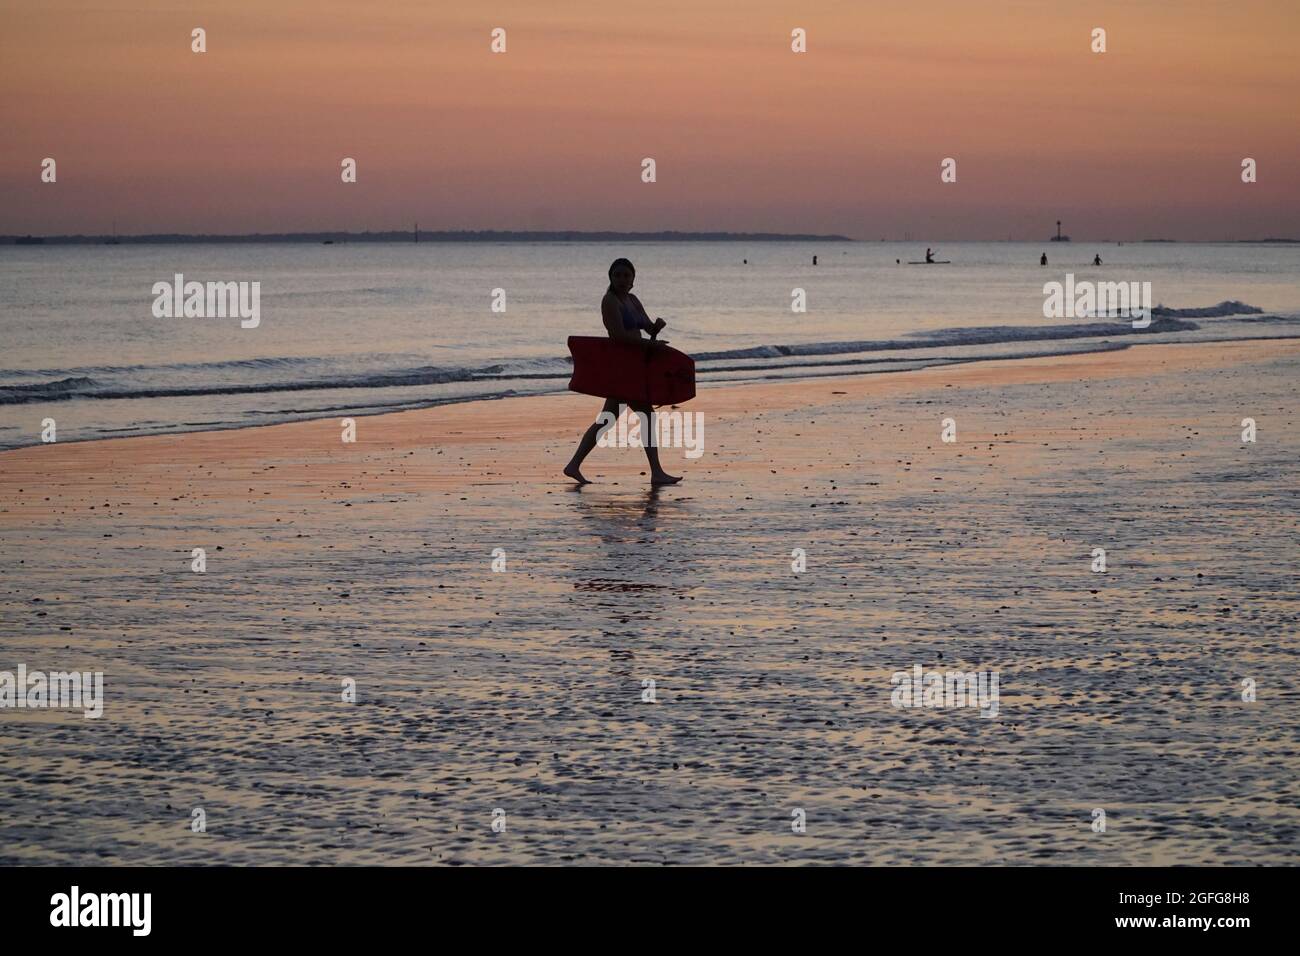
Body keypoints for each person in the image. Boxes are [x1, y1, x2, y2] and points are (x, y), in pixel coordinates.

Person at [564, 258, 682, 485]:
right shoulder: (609, 301)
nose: (621, 279)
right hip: (621, 369)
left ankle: (573, 465)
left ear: (633, 279)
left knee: (608, 419)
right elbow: (618, 336)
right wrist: (650, 345)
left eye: (626, 276)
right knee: (645, 416)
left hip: (634, 367)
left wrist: (656, 327)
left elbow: (647, 327)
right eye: (617, 275)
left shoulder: (633, 300)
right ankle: (657, 472)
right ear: (611, 277)